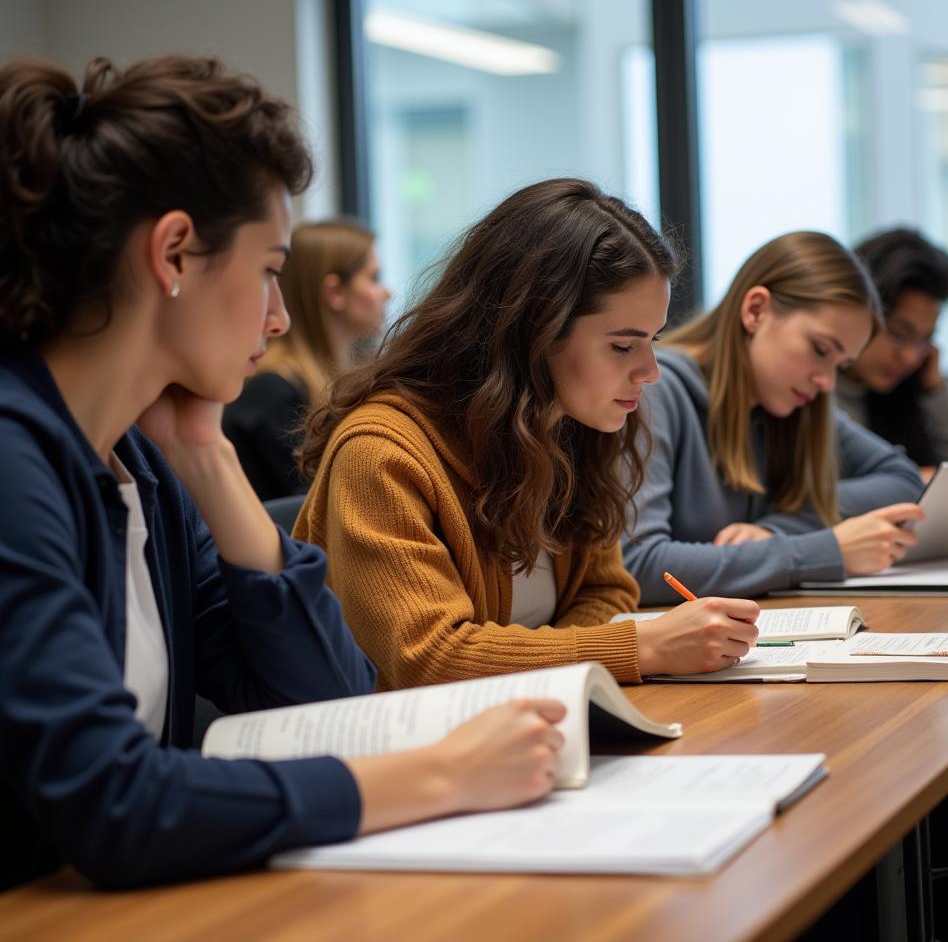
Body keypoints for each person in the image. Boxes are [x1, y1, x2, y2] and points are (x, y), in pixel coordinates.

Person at [0, 55, 566, 891]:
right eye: (269, 268)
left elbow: (329, 708)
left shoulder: (145, 465)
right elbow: (115, 802)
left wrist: (209, 458)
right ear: (175, 254)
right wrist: (441, 775)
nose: (282, 314)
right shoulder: (15, 461)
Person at [293, 177, 762, 692]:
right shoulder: (380, 453)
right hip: (393, 754)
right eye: (623, 347)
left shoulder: (567, 426)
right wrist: (638, 647)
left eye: (652, 340)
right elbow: (429, 658)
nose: (650, 371)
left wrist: (547, 663)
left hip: (521, 726)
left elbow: (606, 590)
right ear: (533, 332)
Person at [623, 231, 926, 604]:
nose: (827, 382)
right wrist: (821, 550)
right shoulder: (652, 390)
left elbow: (905, 480)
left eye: (841, 365)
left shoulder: (796, 399)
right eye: (819, 350)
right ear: (755, 311)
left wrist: (777, 529)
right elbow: (636, 566)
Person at [223, 219, 391, 500]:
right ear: (335, 292)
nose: (387, 292)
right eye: (374, 278)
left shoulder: (321, 380)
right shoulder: (274, 393)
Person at [836, 227, 948, 471]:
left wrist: (936, 390)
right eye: (899, 334)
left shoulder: (908, 390)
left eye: (925, 340)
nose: (911, 357)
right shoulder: (811, 391)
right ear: (857, 312)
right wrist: (909, 481)